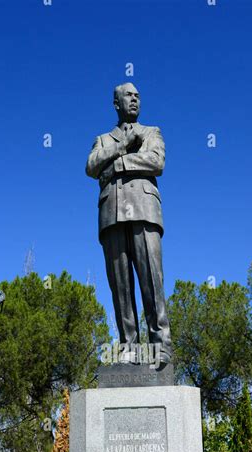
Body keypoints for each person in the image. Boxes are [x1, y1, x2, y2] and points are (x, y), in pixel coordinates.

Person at [86, 83, 172, 365]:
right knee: (120, 286)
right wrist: (121, 147)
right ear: (116, 103)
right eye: (128, 96)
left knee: (151, 280)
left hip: (145, 210)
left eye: (138, 96)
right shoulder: (103, 139)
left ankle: (160, 345)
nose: (135, 99)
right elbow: (91, 167)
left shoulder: (151, 132)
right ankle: (128, 347)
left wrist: (117, 166)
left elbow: (155, 161)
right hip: (111, 215)